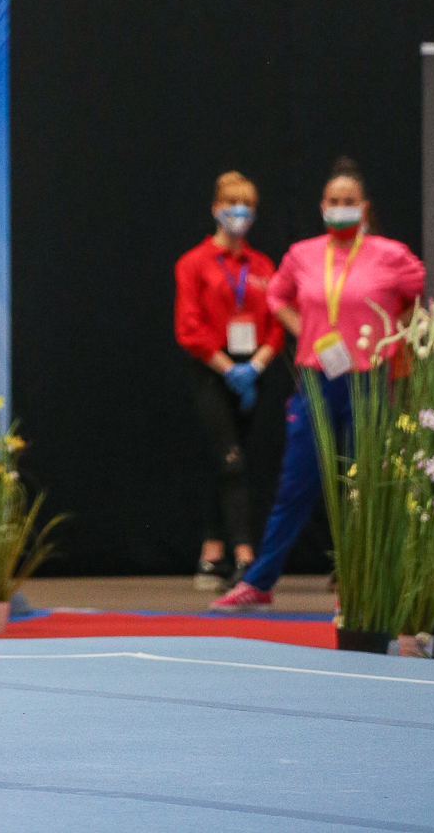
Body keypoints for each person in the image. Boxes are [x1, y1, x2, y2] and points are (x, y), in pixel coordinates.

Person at [214, 157, 425, 610]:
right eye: (334, 200)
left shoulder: (390, 254)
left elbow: (416, 295)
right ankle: (260, 581)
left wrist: (392, 335)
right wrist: (305, 331)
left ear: (363, 208)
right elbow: (277, 298)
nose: (341, 207)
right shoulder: (302, 254)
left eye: (350, 201)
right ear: (322, 206)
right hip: (317, 378)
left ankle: (363, 584)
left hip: (368, 380)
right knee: (296, 484)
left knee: (369, 485)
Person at [173, 170, 284, 589]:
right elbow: (188, 327)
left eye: (248, 205)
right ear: (216, 209)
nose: (241, 212)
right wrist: (227, 369)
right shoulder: (194, 263)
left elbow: (276, 323)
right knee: (230, 460)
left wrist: (255, 366)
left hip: (253, 370)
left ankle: (210, 554)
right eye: (233, 204)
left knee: (229, 462)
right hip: (212, 370)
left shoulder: (263, 266)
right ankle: (244, 555)